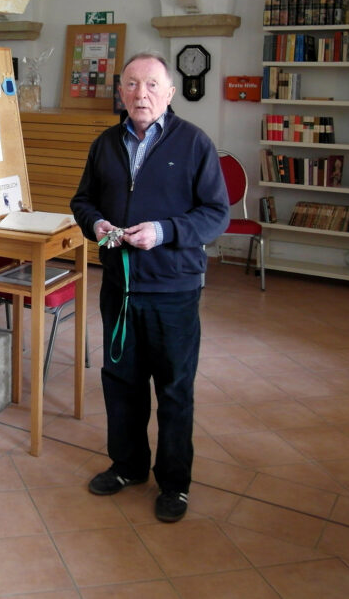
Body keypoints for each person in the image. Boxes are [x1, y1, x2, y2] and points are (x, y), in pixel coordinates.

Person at [70, 51, 230, 522]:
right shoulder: (104, 144)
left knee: (174, 389)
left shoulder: (195, 142)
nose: (142, 93)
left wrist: (164, 231)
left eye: (152, 85)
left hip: (173, 290)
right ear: (120, 92)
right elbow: (82, 201)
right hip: (119, 287)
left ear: (170, 93)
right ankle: (128, 466)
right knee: (121, 381)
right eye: (132, 84)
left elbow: (216, 214)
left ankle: (175, 484)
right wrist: (96, 223)